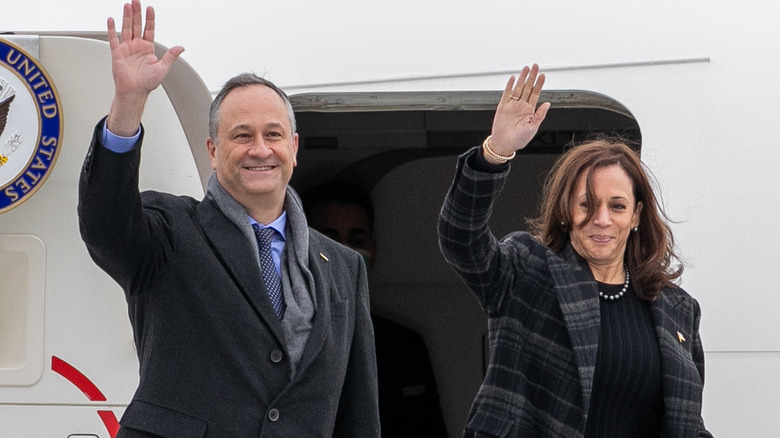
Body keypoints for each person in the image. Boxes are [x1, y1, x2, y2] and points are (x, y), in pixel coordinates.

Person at [77, 2, 379, 437]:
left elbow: (358, 412)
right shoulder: (171, 231)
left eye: (272, 134)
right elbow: (104, 224)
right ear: (213, 151)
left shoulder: (344, 267)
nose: (260, 149)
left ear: (293, 147)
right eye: (242, 136)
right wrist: (129, 105)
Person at [437, 64, 712, 438]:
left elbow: (687, 424)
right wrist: (496, 151)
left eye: (616, 206)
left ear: (636, 215)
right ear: (565, 211)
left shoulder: (678, 309)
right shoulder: (526, 272)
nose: (601, 219)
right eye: (586, 204)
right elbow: (460, 237)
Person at [302, 181, 448, 438]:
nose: (345, 252)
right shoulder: (289, 342)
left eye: (356, 240)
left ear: (373, 251)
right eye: (331, 239)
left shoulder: (405, 348)